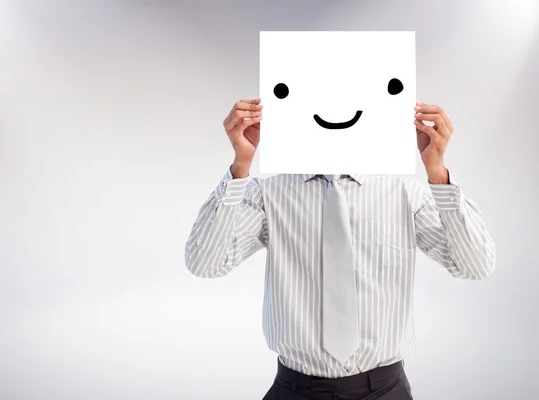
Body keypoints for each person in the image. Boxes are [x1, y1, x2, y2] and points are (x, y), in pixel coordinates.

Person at [184, 98, 496, 400]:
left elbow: (475, 265)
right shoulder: (268, 194)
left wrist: (438, 174)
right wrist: (240, 165)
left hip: (384, 389)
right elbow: (205, 264)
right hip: (294, 388)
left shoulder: (406, 194)